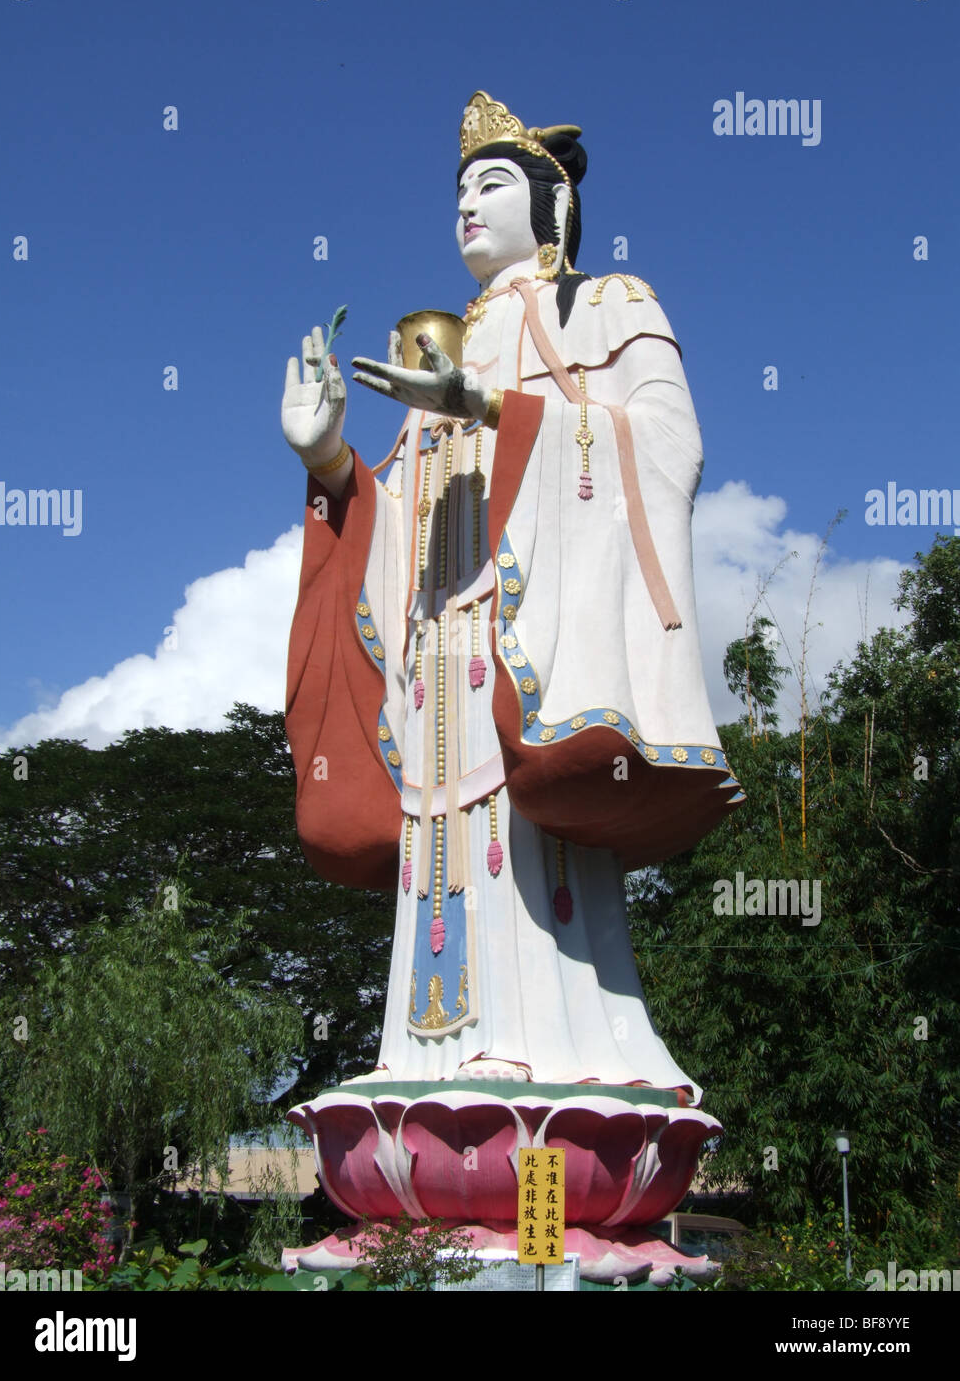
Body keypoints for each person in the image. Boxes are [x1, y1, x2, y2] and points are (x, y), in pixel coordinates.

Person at [281, 91, 742, 1099]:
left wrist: (494, 407)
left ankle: (558, 1054)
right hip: (440, 660)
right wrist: (333, 469)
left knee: (532, 843)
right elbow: (398, 524)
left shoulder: (609, 303)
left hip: (533, 637)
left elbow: (668, 446)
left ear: (555, 203)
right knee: (441, 840)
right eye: (457, 191)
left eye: (492, 183)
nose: (467, 207)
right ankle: (422, 1052)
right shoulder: (439, 349)